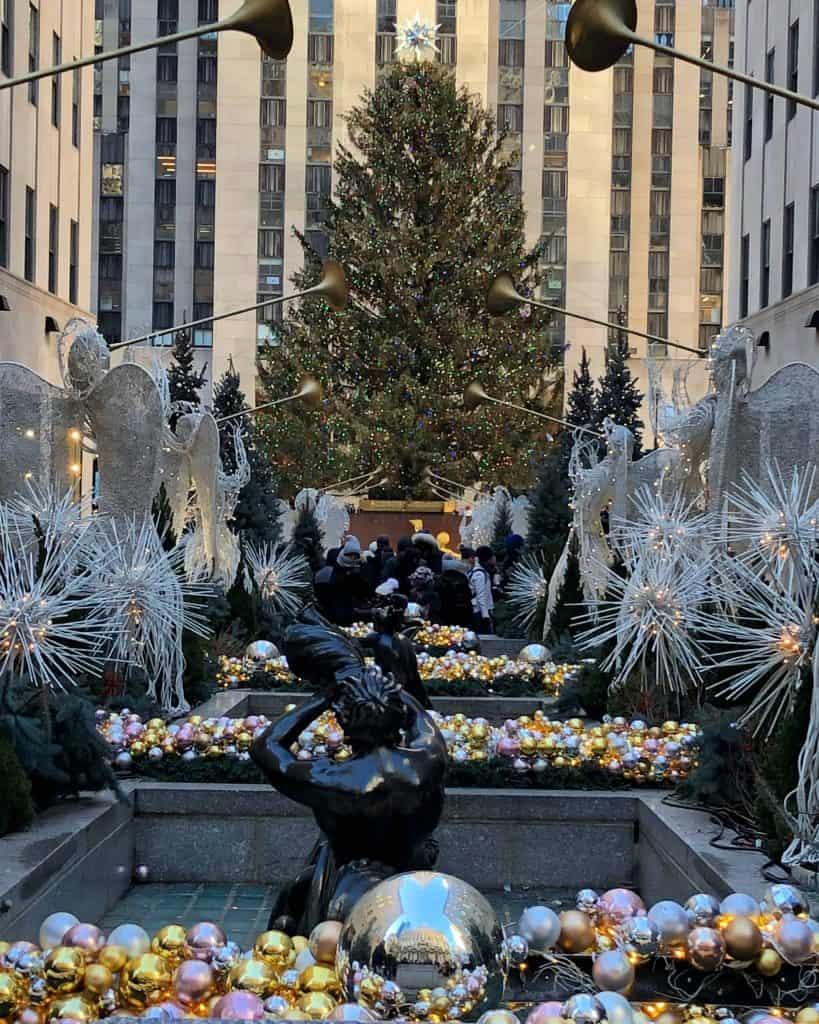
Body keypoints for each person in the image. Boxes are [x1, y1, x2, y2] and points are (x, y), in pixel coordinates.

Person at [251, 614, 447, 935]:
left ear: (341, 716)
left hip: (348, 888)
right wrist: (384, 686)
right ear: (397, 711)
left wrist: (324, 696)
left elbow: (266, 747)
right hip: (415, 873)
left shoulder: (332, 779)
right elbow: (421, 719)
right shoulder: (427, 761)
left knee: (292, 904)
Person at [361, 593, 431, 709]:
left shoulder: (380, 640)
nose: (373, 623)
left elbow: (399, 677)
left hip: (398, 691)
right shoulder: (403, 640)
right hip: (412, 688)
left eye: (374, 620)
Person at [317, 537, 373, 626]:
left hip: (332, 618)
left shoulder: (329, 572)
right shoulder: (349, 575)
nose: (353, 558)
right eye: (352, 556)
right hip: (339, 617)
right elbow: (365, 592)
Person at [466, 546, 495, 634]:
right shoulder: (480, 574)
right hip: (479, 612)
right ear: (488, 559)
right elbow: (481, 595)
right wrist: (485, 616)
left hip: (479, 611)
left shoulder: (479, 572)